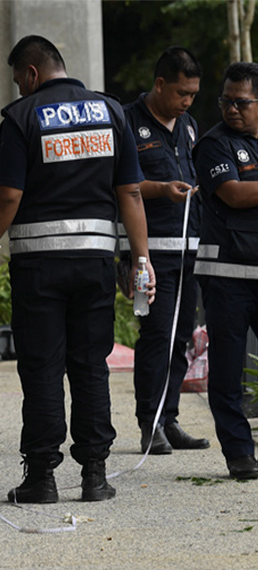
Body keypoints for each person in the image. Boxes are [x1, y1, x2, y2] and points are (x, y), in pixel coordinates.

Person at [0, 36, 152, 504]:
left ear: (31, 73)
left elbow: (9, 195)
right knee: (90, 366)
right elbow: (131, 194)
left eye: (19, 81)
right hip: (95, 265)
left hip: (40, 268)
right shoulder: (110, 112)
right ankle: (95, 475)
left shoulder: (23, 116)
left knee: (42, 367)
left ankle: (41, 478)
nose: (19, 89)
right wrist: (141, 260)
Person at [123, 47, 209, 455]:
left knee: (180, 339)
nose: (187, 101)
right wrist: (161, 190)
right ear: (159, 84)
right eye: (180, 93)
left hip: (188, 248)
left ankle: (170, 416)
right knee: (156, 335)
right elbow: (120, 187)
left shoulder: (189, 125)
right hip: (150, 251)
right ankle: (149, 422)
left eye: (192, 94)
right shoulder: (127, 121)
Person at [192, 61, 258, 480]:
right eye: (225, 101)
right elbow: (233, 194)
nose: (231, 109)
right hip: (227, 275)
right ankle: (239, 454)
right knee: (229, 372)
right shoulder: (214, 144)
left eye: (241, 102)